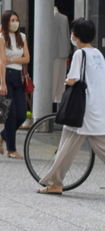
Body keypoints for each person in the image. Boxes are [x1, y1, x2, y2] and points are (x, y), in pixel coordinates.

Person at [38, 18, 105, 194]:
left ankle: (56, 183)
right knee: (66, 145)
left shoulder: (79, 54)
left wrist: (65, 80)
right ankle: (55, 182)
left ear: (75, 35)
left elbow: (73, 79)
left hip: (82, 111)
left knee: (73, 147)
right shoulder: (98, 54)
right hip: (96, 108)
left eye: (72, 32)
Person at [0, 10, 30, 159]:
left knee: (21, 114)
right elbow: (2, 61)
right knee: (10, 116)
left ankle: (1, 136)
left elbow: (27, 58)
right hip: (5, 77)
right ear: (6, 22)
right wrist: (2, 83)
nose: (15, 23)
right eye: (12, 20)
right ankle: (11, 150)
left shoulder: (22, 37)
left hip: (18, 77)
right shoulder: (1, 38)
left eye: (16, 20)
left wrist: (12, 60)